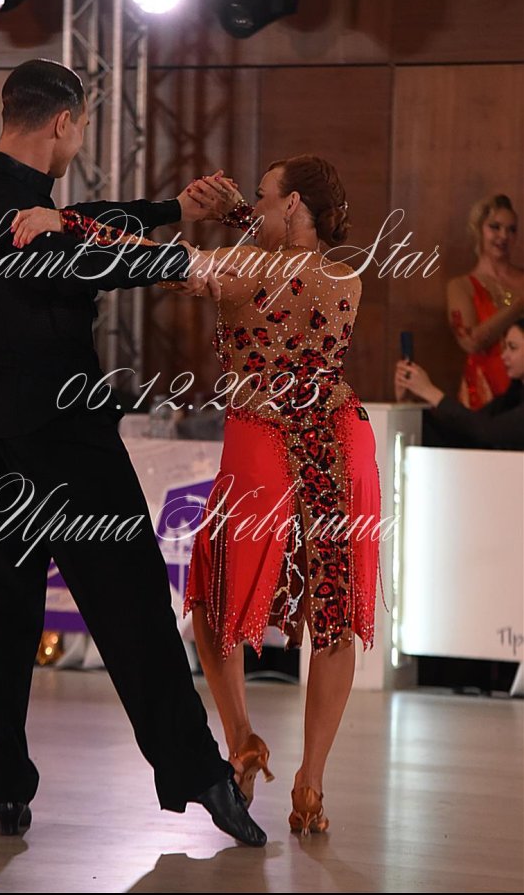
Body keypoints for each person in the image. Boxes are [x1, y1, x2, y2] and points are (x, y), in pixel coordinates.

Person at [0, 58, 266, 846]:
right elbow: (78, 255)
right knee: (128, 601)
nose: (78, 138)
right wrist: (182, 259)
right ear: (65, 122)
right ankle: (198, 774)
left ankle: (7, 787)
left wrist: (170, 210)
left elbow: (82, 223)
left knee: (9, 610)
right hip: (62, 438)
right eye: (83, 125)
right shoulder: (4, 208)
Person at [174, 155, 382, 835]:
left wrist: (75, 225)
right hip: (338, 443)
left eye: (262, 196)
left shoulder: (242, 269)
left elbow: (171, 266)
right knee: (333, 612)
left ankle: (243, 740)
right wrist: (244, 214)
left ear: (292, 203)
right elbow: (286, 256)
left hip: (262, 437)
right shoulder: (347, 278)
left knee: (216, 595)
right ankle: (310, 783)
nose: (252, 206)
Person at [394, 319, 524, 451]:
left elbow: (489, 432)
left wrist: (429, 392)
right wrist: (408, 404)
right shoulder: (509, 400)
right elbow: (464, 435)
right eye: (505, 348)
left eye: (513, 347)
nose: (504, 356)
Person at [446, 194, 524, 409]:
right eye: (495, 227)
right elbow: (470, 342)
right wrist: (518, 306)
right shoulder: (461, 286)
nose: (503, 236)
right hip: (484, 389)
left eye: (511, 230)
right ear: (478, 229)